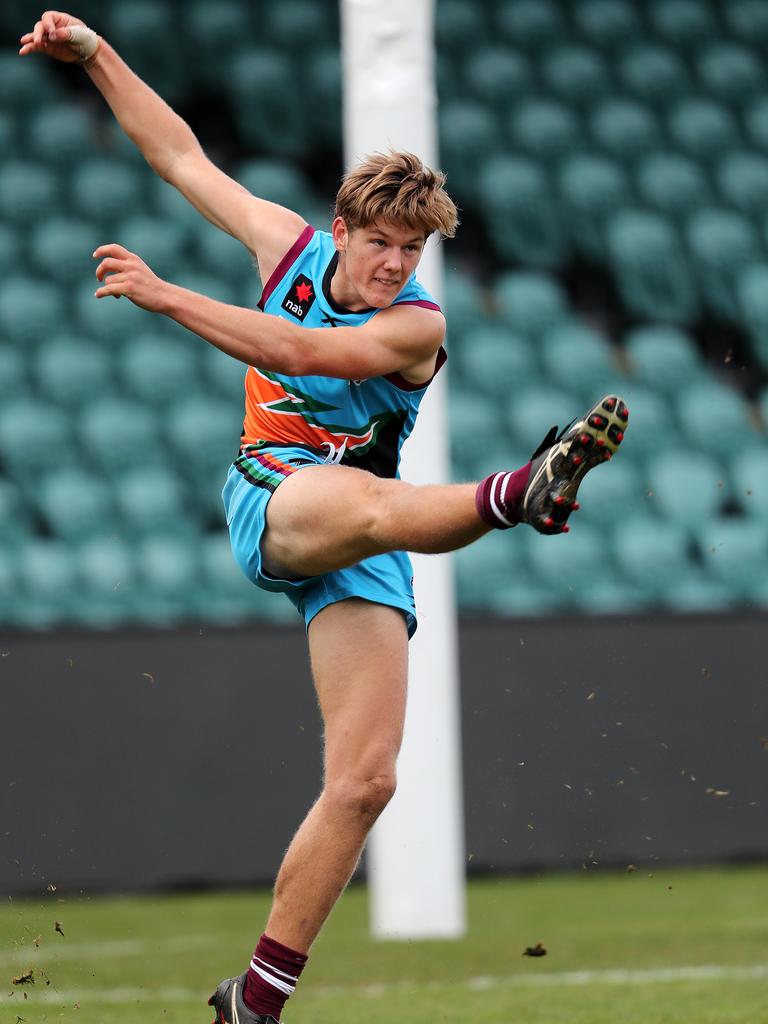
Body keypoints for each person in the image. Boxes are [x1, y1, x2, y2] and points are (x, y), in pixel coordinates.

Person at [20, 12, 629, 1024]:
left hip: (366, 539)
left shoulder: (414, 328)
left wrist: (171, 299)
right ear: (343, 230)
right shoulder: (287, 245)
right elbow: (177, 153)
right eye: (382, 242)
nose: (396, 264)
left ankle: (251, 1001)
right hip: (278, 498)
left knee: (365, 781)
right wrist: (97, 57)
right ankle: (521, 492)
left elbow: (303, 357)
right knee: (377, 504)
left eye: (413, 247)